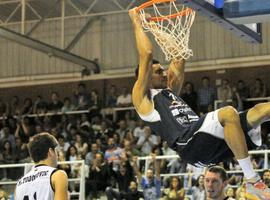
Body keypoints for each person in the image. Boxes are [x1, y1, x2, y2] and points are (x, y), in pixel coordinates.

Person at [129, 7, 270, 199]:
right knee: (228, 113)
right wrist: (137, 23)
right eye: (158, 71)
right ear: (144, 77)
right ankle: (252, 180)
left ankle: (251, 178)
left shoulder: (169, 91)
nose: (164, 72)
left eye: (163, 70)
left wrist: (154, 26)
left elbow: (178, 55)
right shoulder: (143, 100)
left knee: (263, 110)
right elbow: (146, 53)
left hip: (208, 141)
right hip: (189, 144)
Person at [15, 132, 68, 200]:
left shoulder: (19, 183)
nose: (58, 156)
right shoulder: (58, 175)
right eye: (56, 151)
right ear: (51, 151)